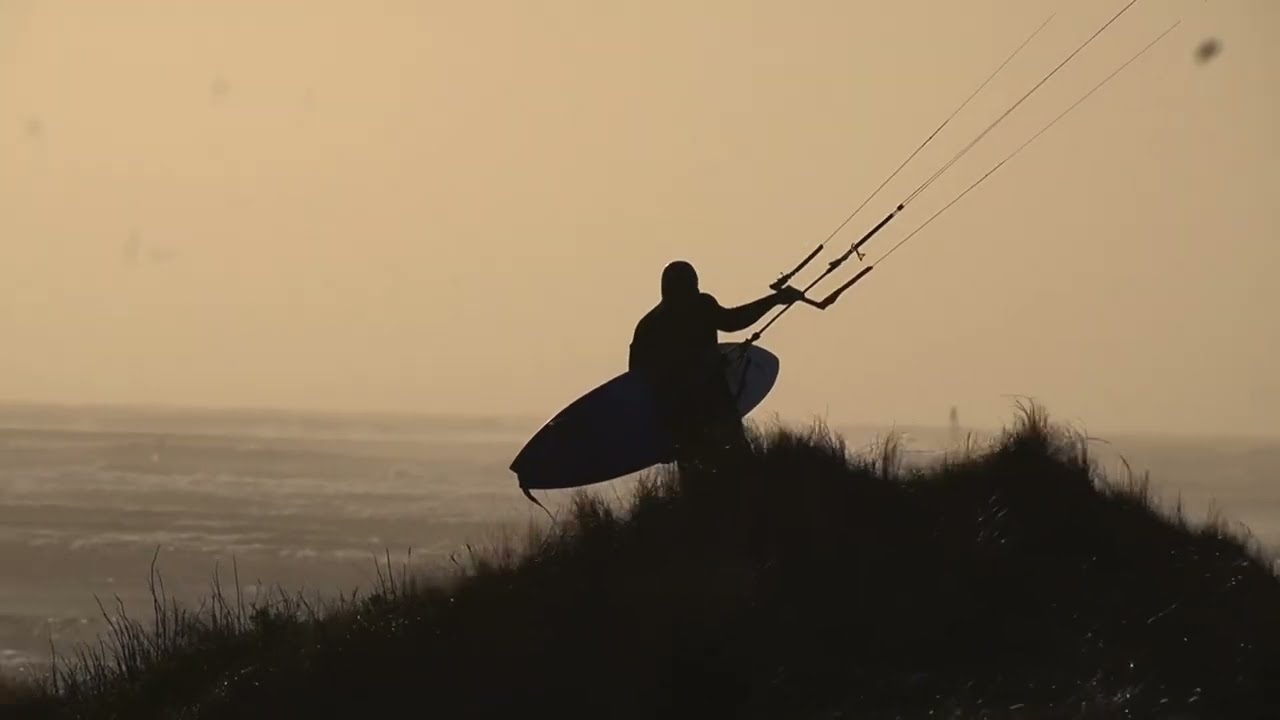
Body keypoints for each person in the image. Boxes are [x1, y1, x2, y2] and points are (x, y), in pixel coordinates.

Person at [628, 260, 803, 465]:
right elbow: (733, 321)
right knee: (729, 465)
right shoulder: (697, 307)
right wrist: (775, 299)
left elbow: (636, 375)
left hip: (686, 411)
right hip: (703, 406)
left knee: (706, 467)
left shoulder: (650, 324)